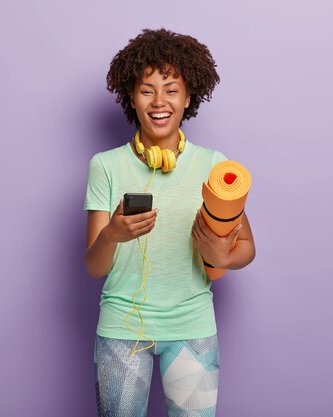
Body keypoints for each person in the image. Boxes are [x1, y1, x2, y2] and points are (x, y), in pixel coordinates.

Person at [84, 28, 256, 417]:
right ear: (131, 96)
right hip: (121, 332)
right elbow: (93, 267)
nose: (159, 101)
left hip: (192, 327)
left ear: (189, 96)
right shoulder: (105, 166)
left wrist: (222, 257)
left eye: (171, 89)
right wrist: (112, 234)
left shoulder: (213, 165)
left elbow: (247, 248)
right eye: (147, 89)